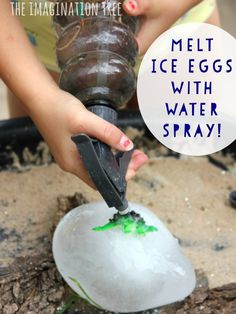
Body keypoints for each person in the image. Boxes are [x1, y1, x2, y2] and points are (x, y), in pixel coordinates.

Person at [0, 0, 220, 187]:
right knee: (45, 167)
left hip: (178, 30)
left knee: (189, 160)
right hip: (42, 47)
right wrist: (43, 100)